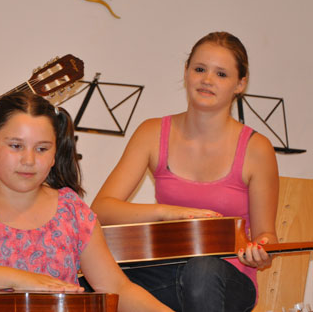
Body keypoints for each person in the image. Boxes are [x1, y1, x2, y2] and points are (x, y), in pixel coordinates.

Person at [0, 91, 173, 312]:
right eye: (16, 146)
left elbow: (117, 288)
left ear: (54, 155)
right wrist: (21, 281)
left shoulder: (73, 212)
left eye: (42, 148)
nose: (29, 160)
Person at [90, 31, 279, 311]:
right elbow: (101, 210)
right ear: (186, 72)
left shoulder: (257, 148)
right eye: (200, 69)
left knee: (201, 271)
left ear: (240, 84)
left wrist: (261, 250)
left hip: (227, 279)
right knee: (93, 276)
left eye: (221, 74)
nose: (207, 80)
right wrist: (169, 212)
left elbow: (267, 235)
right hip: (165, 271)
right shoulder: (152, 132)